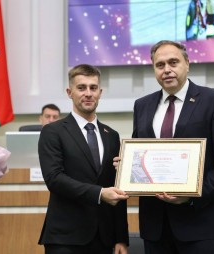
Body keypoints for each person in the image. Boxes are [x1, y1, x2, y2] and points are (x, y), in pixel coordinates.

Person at [131, 40, 214, 253]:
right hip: (155, 227)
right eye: (160, 65)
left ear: (187, 63)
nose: (167, 70)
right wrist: (128, 165)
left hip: (200, 224)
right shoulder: (142, 105)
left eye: (173, 62)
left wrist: (193, 195)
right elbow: (140, 151)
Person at [38, 64, 129, 254]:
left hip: (104, 238)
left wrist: (121, 238)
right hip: (65, 238)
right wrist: (99, 193)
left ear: (100, 92)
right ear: (69, 92)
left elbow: (117, 186)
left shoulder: (111, 135)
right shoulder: (53, 132)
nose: (88, 93)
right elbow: (54, 179)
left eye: (93, 88)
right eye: (81, 88)